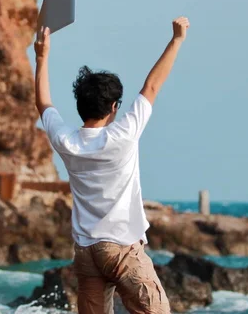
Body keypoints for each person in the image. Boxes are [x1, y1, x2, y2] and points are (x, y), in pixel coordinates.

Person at [34, 16, 190, 314]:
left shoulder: (67, 141)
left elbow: (43, 103)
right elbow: (152, 86)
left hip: (86, 253)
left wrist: (42, 57)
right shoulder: (123, 135)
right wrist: (177, 40)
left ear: (80, 105)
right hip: (121, 248)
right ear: (114, 107)